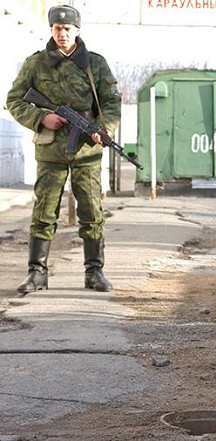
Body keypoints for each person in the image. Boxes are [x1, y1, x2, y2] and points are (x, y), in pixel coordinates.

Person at [6, 5, 121, 294]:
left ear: (77, 31)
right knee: (44, 210)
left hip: (86, 151)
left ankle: (94, 272)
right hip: (50, 150)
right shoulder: (36, 64)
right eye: (57, 29)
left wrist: (104, 129)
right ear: (51, 30)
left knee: (92, 211)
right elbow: (14, 100)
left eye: (67, 29)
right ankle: (37, 274)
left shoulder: (95, 64)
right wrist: (40, 117)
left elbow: (111, 101)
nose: (62, 34)